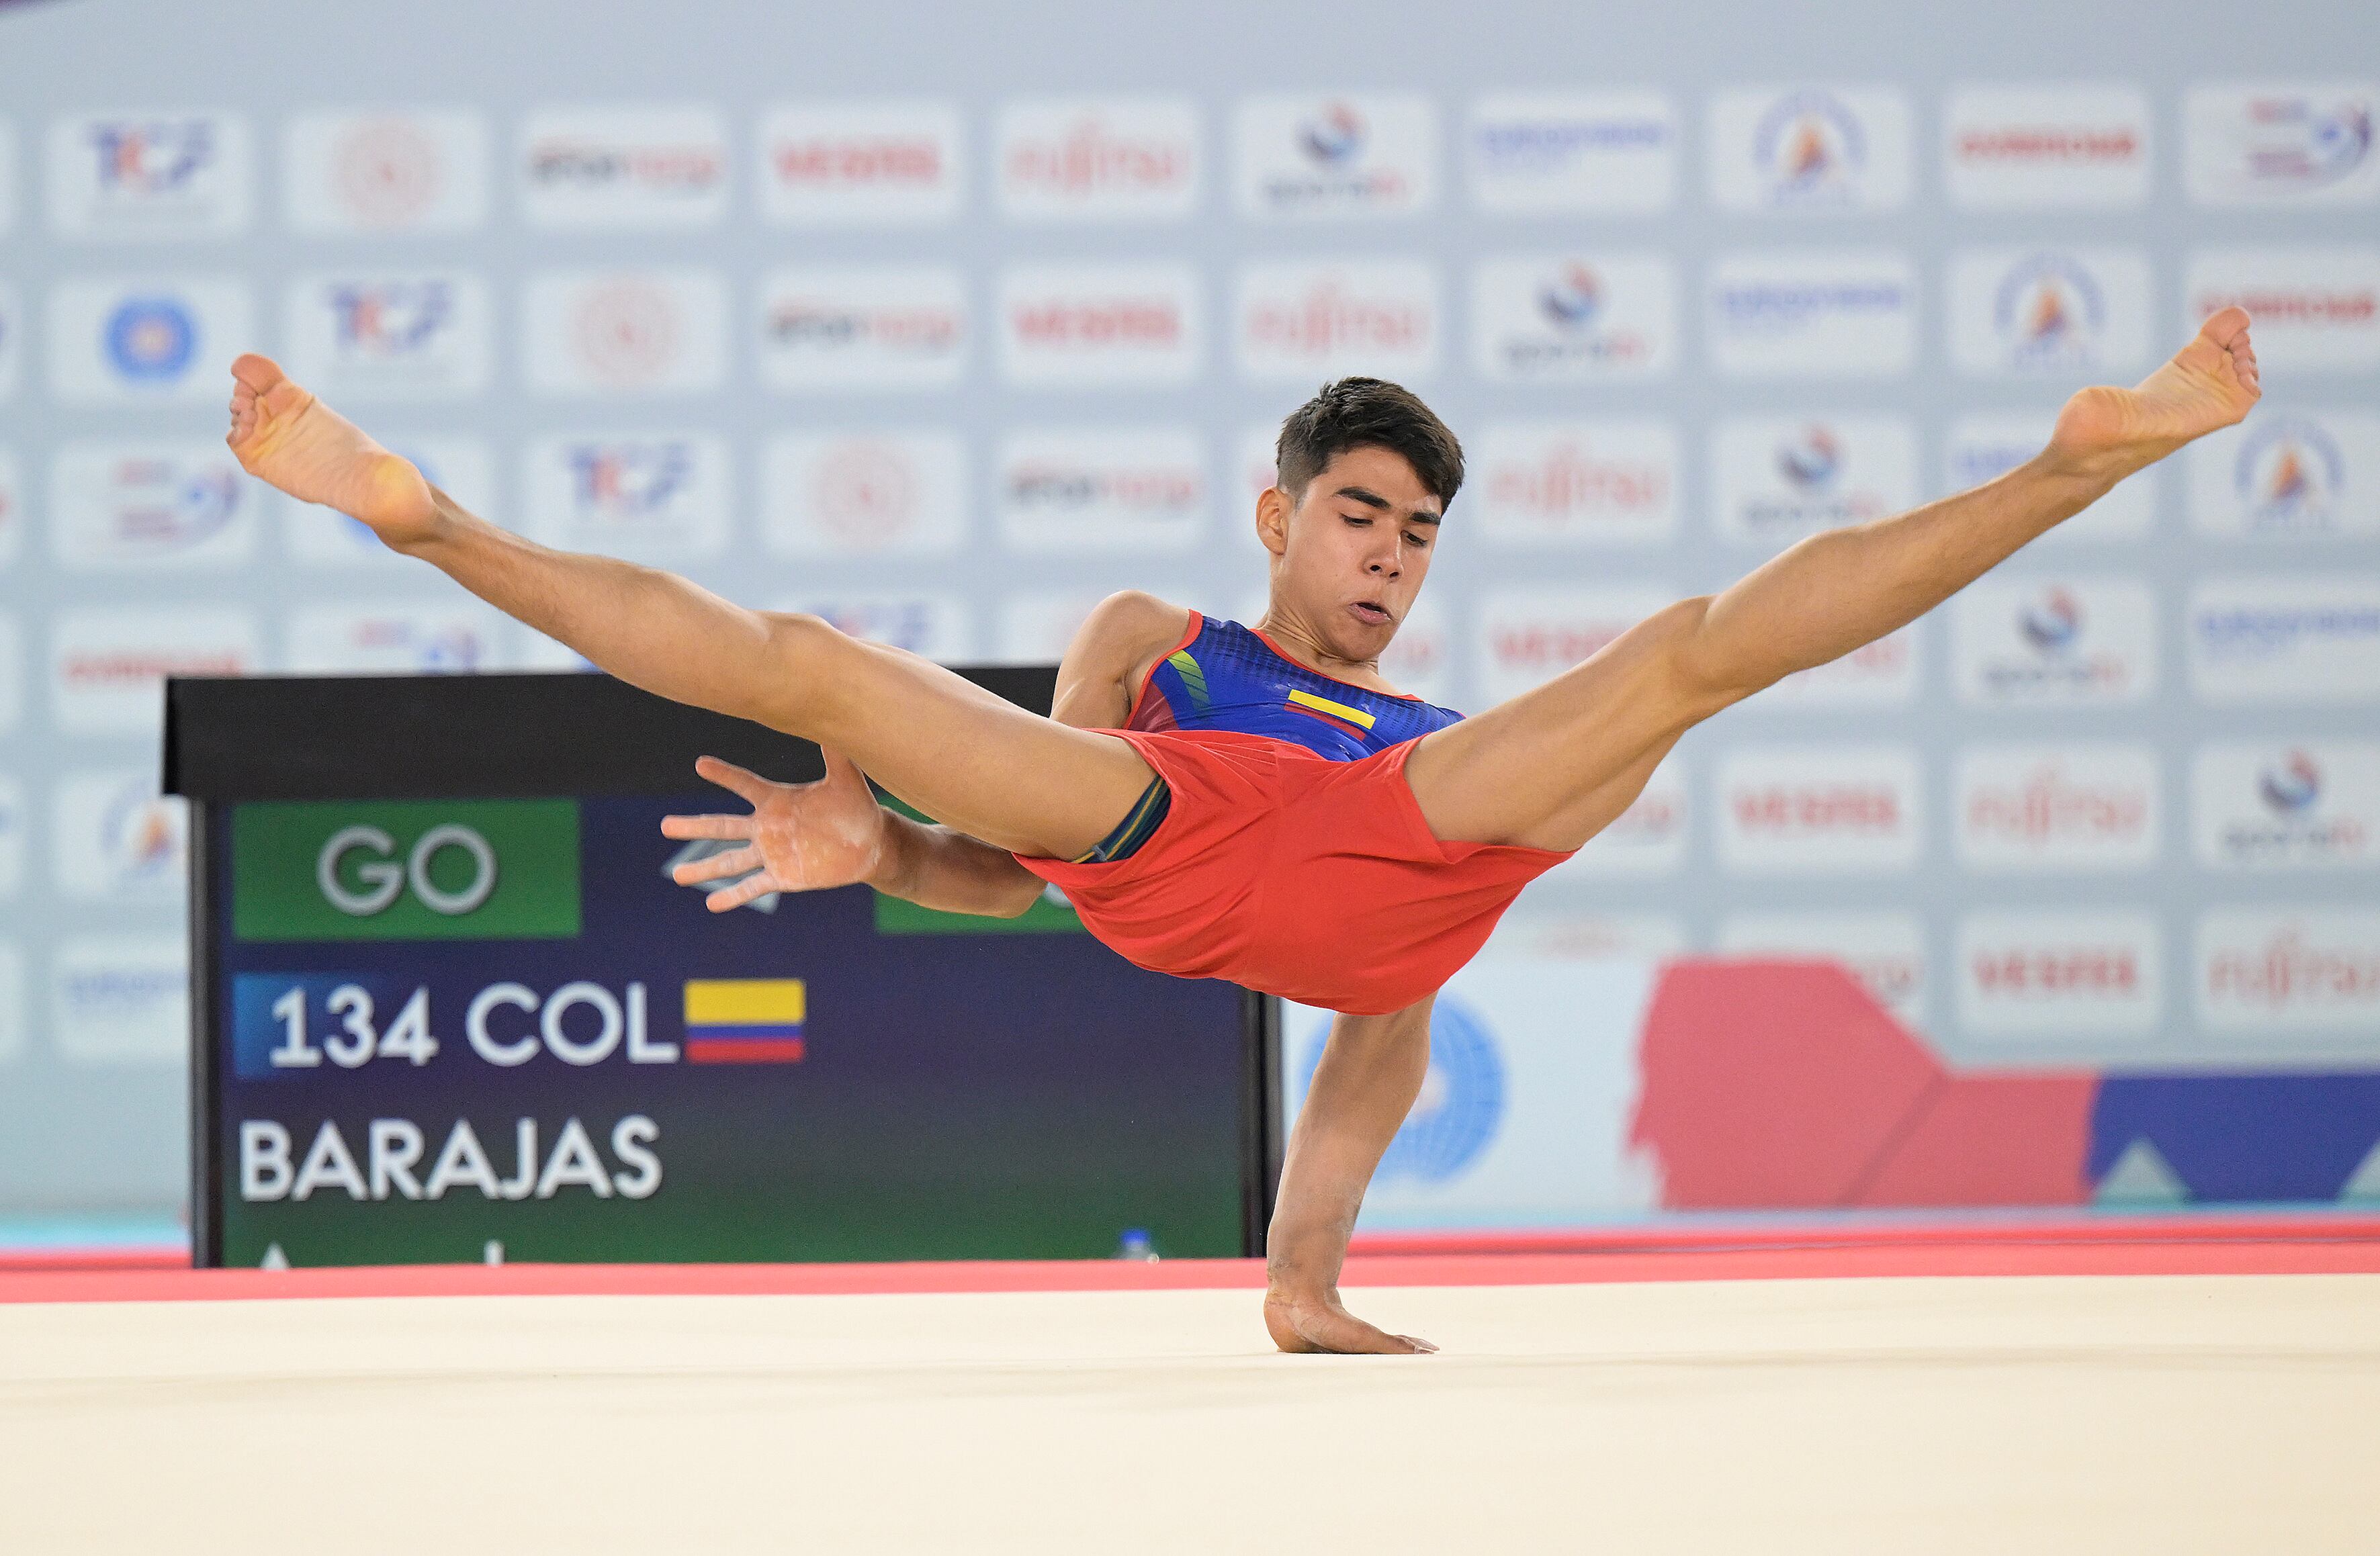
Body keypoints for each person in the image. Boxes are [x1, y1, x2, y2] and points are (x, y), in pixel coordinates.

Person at [223, 308, 2260, 1354]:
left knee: (1686, 662)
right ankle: (434, 520)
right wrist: (877, 859)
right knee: (818, 663)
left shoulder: (1441, 743)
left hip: (1389, 866)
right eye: (1360, 517)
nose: (1389, 559)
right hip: (1174, 838)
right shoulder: (1157, 640)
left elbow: (1383, 1013)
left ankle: (2068, 463)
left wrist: (1306, 1271)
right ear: (1280, 516)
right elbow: (1022, 872)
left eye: (1422, 536)